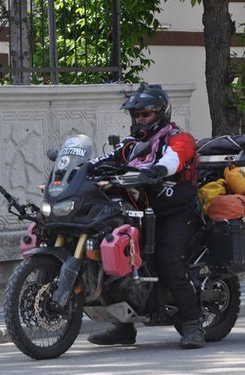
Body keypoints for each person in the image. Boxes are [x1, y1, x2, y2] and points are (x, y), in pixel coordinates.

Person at [87, 83, 205, 349]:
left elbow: (175, 158)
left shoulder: (178, 138)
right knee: (119, 262)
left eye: (145, 115)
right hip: (142, 214)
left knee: (168, 259)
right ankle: (123, 328)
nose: (139, 119)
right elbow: (105, 159)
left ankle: (192, 324)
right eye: (136, 115)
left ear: (160, 113)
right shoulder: (132, 146)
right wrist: (79, 169)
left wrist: (159, 169)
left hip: (176, 212)